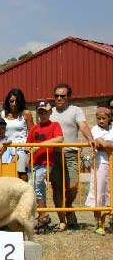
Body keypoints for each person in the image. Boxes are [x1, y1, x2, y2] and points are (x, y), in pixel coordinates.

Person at [50, 83, 95, 230]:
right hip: (54, 154)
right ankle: (62, 220)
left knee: (73, 186)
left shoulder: (76, 110)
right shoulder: (49, 112)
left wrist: (90, 138)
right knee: (56, 187)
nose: (59, 98)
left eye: (62, 96)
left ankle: (68, 206)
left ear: (68, 97)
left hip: (71, 153)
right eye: (56, 95)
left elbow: (82, 125)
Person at [26, 101, 63, 232]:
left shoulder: (55, 125)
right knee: (36, 188)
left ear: (50, 112)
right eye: (40, 111)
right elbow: (28, 146)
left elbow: (59, 139)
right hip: (33, 163)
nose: (43, 114)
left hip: (46, 162)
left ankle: (43, 215)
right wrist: (28, 157)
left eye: (45, 111)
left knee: (35, 186)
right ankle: (43, 216)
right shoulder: (35, 128)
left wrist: (40, 145)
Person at [86, 107, 112, 235]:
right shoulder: (95, 130)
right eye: (98, 118)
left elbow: (106, 145)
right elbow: (103, 144)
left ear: (109, 118)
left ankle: (110, 221)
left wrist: (106, 145)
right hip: (100, 164)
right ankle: (98, 223)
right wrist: (106, 145)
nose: (101, 121)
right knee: (98, 192)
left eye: (104, 118)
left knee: (110, 193)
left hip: (111, 164)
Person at [1, 88, 34, 181]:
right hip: (6, 148)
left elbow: (32, 133)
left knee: (21, 174)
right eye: (12, 101)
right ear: (8, 101)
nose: (14, 104)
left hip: (21, 148)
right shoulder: (3, 114)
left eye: (17, 101)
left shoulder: (26, 113)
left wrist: (30, 154)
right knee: (6, 175)